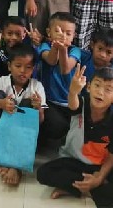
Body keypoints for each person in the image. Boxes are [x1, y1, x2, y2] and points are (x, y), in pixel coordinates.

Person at [37, 67, 113, 207]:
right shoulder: (81, 105)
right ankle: (88, 189)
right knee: (43, 173)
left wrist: (99, 178)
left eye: (108, 89)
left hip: (98, 167)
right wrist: (73, 91)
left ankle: (81, 188)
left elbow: (111, 158)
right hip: (72, 161)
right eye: (97, 85)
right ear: (88, 87)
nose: (100, 92)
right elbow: (73, 104)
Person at [0, 43, 46, 187]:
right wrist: (1, 103)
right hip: (2, 132)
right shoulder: (1, 81)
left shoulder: (37, 86)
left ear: (33, 69)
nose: (23, 71)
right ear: (9, 66)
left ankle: (15, 165)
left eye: (28, 67)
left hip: (22, 136)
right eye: (18, 66)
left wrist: (38, 108)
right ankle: (7, 158)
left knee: (28, 103)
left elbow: (40, 121)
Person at [37, 11, 89, 141]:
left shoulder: (75, 50)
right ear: (49, 32)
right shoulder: (44, 46)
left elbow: (65, 69)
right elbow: (51, 60)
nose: (63, 36)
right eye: (58, 31)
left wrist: (63, 49)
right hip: (50, 102)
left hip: (71, 102)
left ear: (73, 36)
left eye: (68, 33)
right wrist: (56, 47)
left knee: (79, 129)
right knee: (56, 127)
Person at [82, 28, 113, 120]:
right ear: (92, 45)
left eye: (108, 52)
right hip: (84, 103)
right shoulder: (83, 58)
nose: (102, 55)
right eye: (100, 49)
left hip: (105, 106)